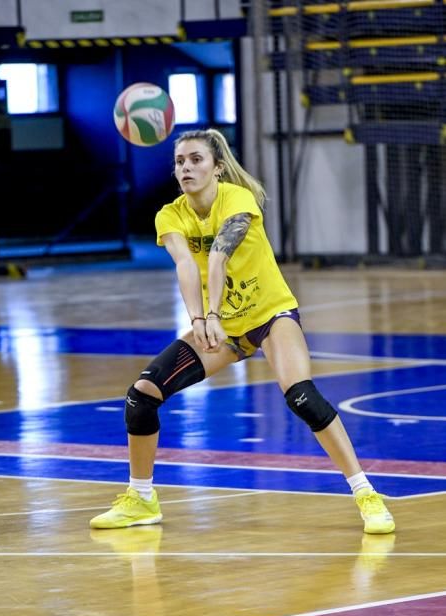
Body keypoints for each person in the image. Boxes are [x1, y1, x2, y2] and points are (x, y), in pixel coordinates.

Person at [90, 128, 395, 535]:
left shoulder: (237, 199)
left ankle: (366, 494)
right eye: (180, 162)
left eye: (196, 160)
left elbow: (218, 256)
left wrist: (211, 314)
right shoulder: (171, 214)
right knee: (142, 396)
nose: (186, 168)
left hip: (269, 316)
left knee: (301, 396)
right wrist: (199, 321)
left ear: (217, 167)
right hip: (226, 330)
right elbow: (185, 265)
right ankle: (141, 499)